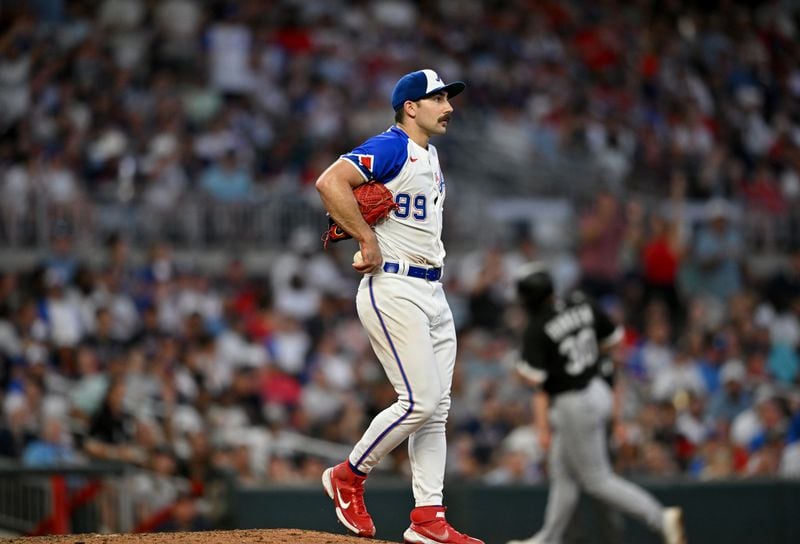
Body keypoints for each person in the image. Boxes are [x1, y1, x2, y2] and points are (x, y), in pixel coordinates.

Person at [315, 69, 483, 544]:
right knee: (420, 400)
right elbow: (330, 183)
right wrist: (366, 237)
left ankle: (428, 517)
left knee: (437, 409)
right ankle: (349, 474)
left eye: (449, 98)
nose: (448, 106)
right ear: (411, 106)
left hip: (433, 289)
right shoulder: (392, 146)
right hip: (393, 285)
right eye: (438, 99)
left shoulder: (430, 157)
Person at [506, 264, 686, 544]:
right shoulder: (582, 302)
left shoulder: (538, 327)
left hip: (573, 402)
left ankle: (660, 518)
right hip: (599, 389)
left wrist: (524, 378)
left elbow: (535, 382)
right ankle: (547, 540)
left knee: (596, 480)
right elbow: (615, 341)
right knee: (562, 472)